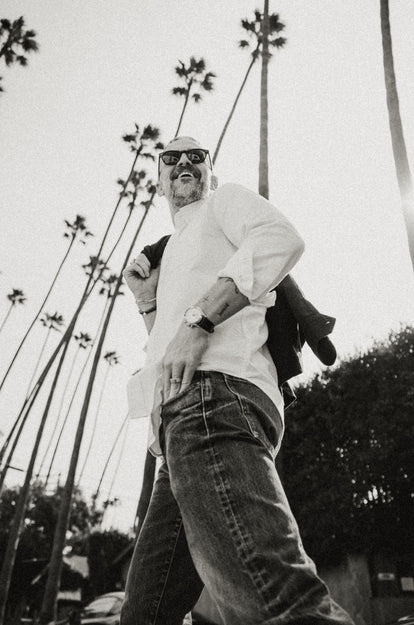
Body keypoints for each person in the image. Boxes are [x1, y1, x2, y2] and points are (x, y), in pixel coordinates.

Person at [121, 136, 355, 625]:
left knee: (276, 603)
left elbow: (280, 238)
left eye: (196, 157)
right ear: (159, 180)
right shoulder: (174, 251)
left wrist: (199, 320)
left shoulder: (222, 204)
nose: (184, 164)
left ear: (210, 171)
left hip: (213, 401)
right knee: (144, 615)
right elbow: (173, 349)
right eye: (171, 159)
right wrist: (148, 302)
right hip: (179, 430)